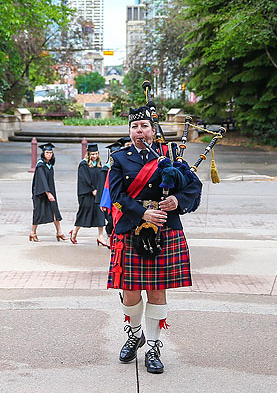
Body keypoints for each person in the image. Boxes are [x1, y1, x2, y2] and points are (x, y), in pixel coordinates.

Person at [107, 106, 202, 374]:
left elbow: (194, 187)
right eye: (135, 127)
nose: (140, 131)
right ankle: (135, 334)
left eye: (144, 127)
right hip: (131, 229)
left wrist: (178, 201)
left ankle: (153, 347)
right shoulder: (119, 158)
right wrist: (143, 212)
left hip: (166, 229)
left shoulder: (170, 155)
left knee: (158, 291)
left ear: (152, 130)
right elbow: (116, 194)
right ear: (129, 132)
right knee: (130, 292)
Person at [29, 142, 65, 242]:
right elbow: (43, 181)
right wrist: (48, 193)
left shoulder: (49, 165)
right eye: (47, 152)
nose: (49, 154)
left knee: (54, 211)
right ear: (43, 154)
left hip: (50, 192)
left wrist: (50, 192)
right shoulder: (40, 165)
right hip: (40, 193)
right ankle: (33, 232)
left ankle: (59, 232)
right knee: (38, 212)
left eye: (50, 153)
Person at [71, 142, 105, 244]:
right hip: (87, 194)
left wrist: (99, 190)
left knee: (100, 214)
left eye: (96, 154)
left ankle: (100, 236)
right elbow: (84, 179)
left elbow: (101, 178)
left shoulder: (99, 165)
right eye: (92, 154)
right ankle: (74, 232)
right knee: (84, 213)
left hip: (97, 193)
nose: (94, 156)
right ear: (88, 154)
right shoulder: (83, 164)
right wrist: (92, 189)